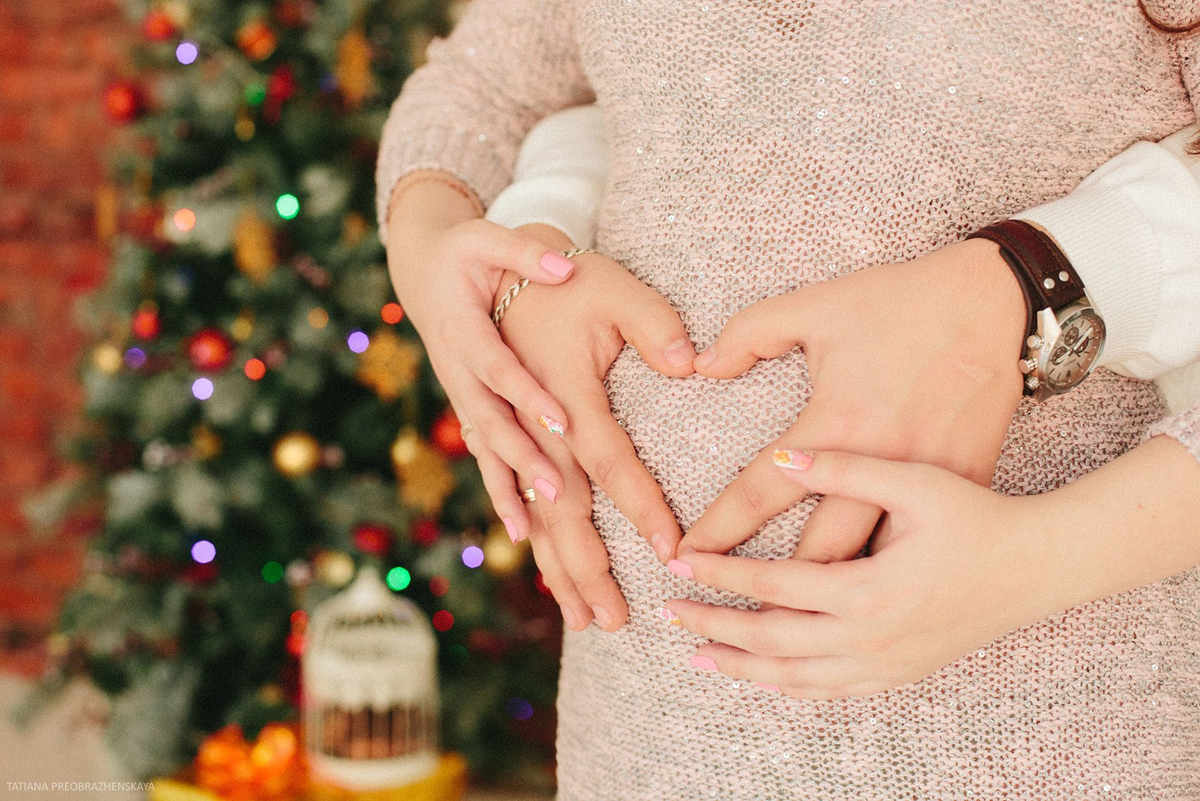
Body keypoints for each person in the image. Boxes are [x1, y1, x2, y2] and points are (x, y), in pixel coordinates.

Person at [377, 1, 1200, 796]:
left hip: (1057, 738)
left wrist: (1040, 555)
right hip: (644, 738)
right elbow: (479, 91)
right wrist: (450, 271)